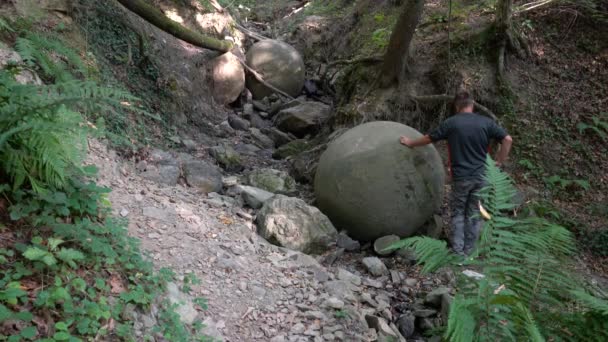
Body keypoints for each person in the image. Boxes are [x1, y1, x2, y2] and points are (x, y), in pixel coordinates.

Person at [399, 91, 513, 256]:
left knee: (458, 212)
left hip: (462, 177)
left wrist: (410, 142)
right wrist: (499, 162)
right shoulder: (486, 122)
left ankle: (458, 253)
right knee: (474, 213)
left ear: (457, 106)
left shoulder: (451, 123)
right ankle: (470, 251)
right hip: (482, 177)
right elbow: (508, 139)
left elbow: (429, 138)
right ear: (472, 105)